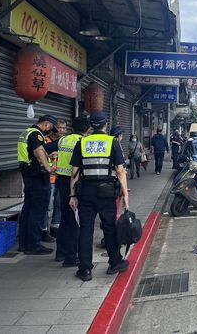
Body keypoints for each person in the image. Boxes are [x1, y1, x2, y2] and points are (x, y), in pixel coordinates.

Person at [69, 112, 129, 281]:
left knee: (86, 229)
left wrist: (72, 194)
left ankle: (85, 269)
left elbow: (74, 172)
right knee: (109, 227)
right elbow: (120, 171)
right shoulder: (112, 142)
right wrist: (125, 193)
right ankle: (115, 262)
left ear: (90, 125)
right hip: (106, 192)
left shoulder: (82, 143)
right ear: (105, 124)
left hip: (85, 191)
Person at [17, 115, 57, 254]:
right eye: (51, 128)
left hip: (28, 174)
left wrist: (47, 157)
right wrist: (48, 167)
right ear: (46, 124)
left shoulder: (26, 132)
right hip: (37, 176)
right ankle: (34, 244)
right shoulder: (36, 134)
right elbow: (38, 151)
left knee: (28, 208)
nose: (51, 132)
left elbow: (33, 153)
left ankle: (24, 243)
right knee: (38, 210)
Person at [54, 116, 90, 266]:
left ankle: (60, 253)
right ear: (87, 129)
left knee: (65, 219)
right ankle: (71, 256)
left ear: (72, 128)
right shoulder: (82, 142)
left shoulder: (63, 140)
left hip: (61, 182)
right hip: (74, 183)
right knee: (75, 220)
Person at [43, 118, 67, 240]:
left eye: (64, 128)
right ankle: (44, 230)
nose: (62, 130)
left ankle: (55, 228)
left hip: (60, 178)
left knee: (59, 205)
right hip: (48, 178)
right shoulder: (46, 141)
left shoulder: (64, 142)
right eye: (59, 128)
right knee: (48, 206)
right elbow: (39, 154)